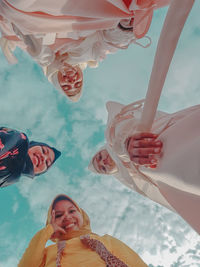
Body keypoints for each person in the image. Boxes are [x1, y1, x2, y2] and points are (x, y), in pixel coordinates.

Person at [0, 0, 170, 101]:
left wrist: (44, 55)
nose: (71, 80)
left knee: (16, 4)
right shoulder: (90, 56)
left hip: (42, 12)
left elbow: (19, 28)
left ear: (55, 79)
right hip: (83, 10)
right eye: (77, 84)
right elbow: (108, 42)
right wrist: (125, 27)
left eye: (66, 85)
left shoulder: (42, 57)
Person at [89, 100, 200, 234]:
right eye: (103, 168)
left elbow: (121, 124)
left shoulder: (113, 138)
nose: (104, 162)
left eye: (99, 157)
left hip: (167, 144)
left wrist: (127, 143)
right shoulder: (135, 181)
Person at [18, 194, 148, 267]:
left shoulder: (105, 241)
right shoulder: (47, 253)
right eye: (58, 215)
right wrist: (48, 230)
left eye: (72, 211)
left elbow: (136, 264)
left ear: (82, 215)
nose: (67, 217)